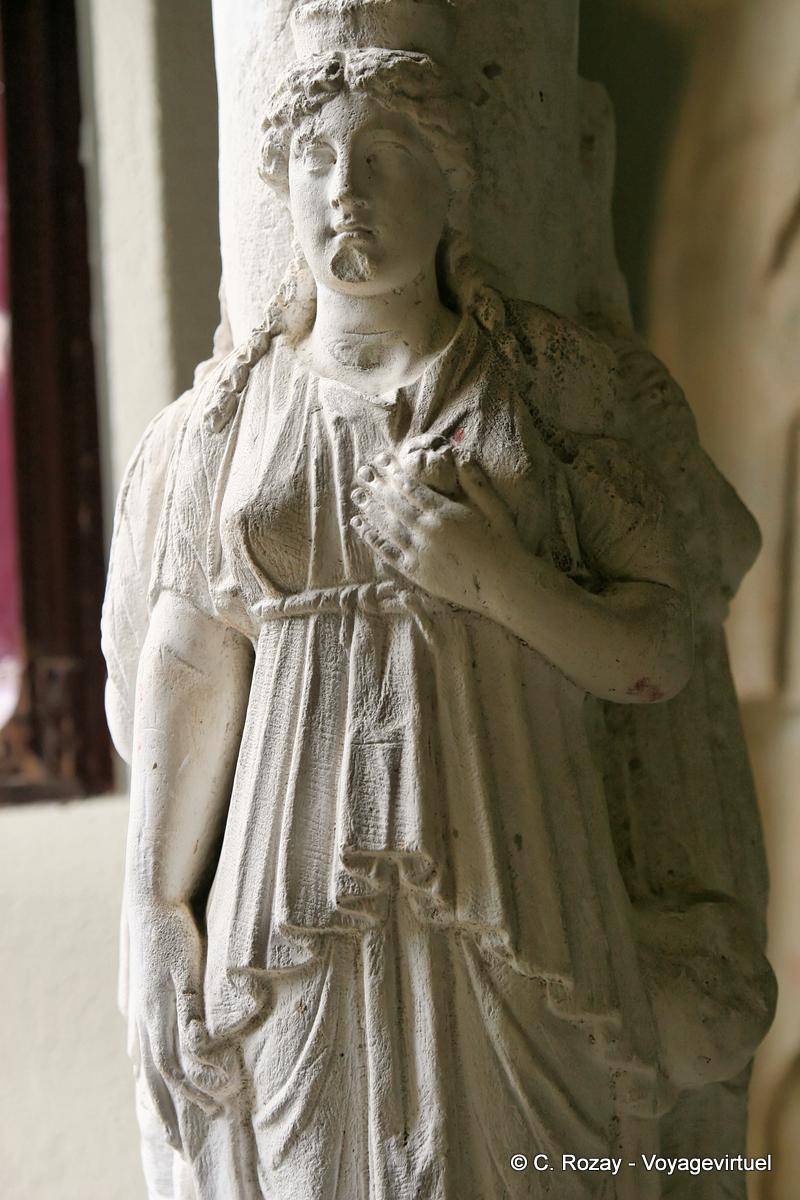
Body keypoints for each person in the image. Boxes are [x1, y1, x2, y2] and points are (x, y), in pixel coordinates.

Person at [107, 37, 698, 1200]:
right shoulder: (233, 413)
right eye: (316, 158)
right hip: (292, 909)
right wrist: (154, 904)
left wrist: (497, 581)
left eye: (382, 154)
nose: (346, 190)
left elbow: (660, 647)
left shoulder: (539, 386)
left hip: (520, 892)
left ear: (450, 179)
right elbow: (191, 661)